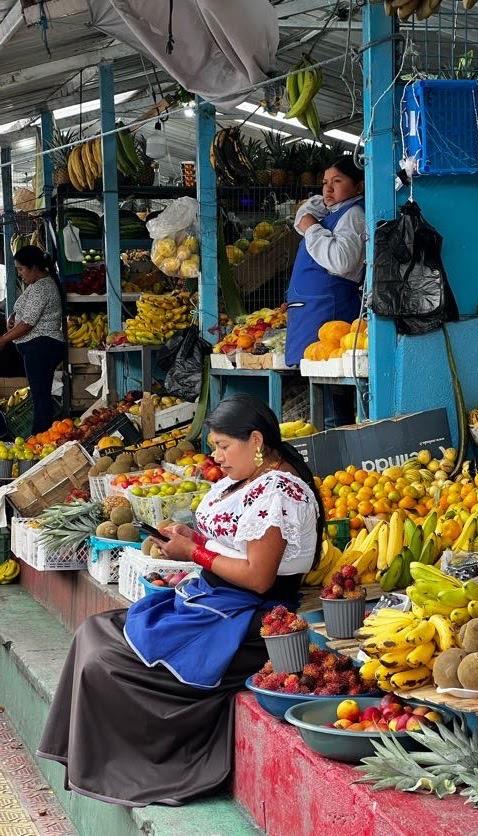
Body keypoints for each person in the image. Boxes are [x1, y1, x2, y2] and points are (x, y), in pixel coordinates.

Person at [37, 394, 323, 807]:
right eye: (215, 446)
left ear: (256, 441)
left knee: (106, 661)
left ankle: (133, 766)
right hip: (213, 602)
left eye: (224, 445)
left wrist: (196, 554)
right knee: (94, 632)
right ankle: (90, 761)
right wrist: (193, 540)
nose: (216, 456)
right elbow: (234, 546)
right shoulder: (246, 479)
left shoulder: (279, 492)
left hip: (247, 622)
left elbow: (259, 578)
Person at [285, 155, 366, 428]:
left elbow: (342, 261)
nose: (328, 190)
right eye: (325, 183)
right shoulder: (334, 212)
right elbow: (302, 216)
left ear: (359, 187)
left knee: (335, 399)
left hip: (330, 313)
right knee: (326, 388)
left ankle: (341, 455)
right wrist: (313, 218)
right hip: (316, 313)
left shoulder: (353, 215)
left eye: (338, 182)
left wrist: (312, 229)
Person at [0, 246, 64, 434]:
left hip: (42, 346)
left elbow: (28, 323)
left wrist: (4, 339)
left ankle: (41, 435)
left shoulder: (43, 287)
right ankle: (42, 435)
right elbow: (26, 314)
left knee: (40, 395)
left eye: (21, 269)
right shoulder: (37, 286)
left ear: (34, 267)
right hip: (37, 347)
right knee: (39, 393)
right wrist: (13, 316)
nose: (20, 274)